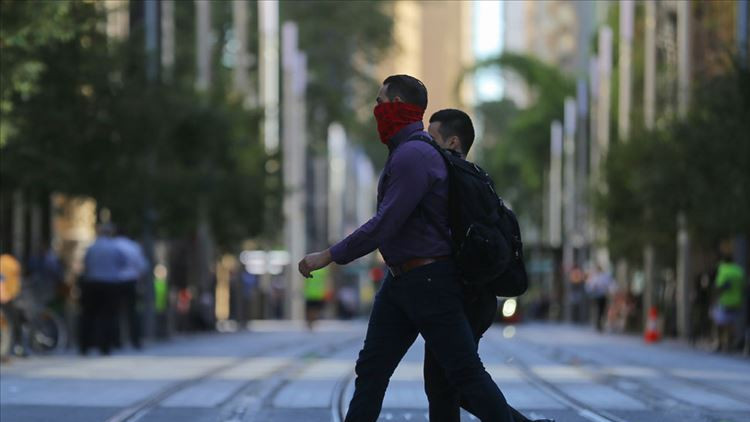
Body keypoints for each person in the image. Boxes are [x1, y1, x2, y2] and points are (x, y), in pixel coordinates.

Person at [300, 75, 515, 422]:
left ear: (398, 105)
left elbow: (385, 224)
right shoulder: (405, 152)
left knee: (462, 374)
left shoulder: (415, 155)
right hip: (401, 280)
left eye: (380, 102)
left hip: (430, 280)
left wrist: (328, 255)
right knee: (372, 370)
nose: (376, 110)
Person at [424, 109, 550, 422]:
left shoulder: (451, 176)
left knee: (456, 382)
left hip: (463, 294)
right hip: (478, 295)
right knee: (445, 384)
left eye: (431, 138)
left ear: (453, 142)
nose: (425, 144)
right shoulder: (478, 176)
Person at [80, 223, 125, 355]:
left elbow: (86, 264)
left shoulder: (92, 247)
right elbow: (122, 264)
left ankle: (85, 345)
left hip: (92, 283)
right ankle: (105, 346)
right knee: (108, 316)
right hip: (110, 284)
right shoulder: (114, 248)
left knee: (89, 315)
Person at [114, 234, 148, 349]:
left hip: (115, 281)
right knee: (132, 312)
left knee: (115, 312)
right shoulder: (134, 246)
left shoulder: (113, 245)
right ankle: (135, 340)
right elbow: (142, 266)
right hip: (131, 281)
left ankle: (117, 341)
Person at [711, 254, 745, 352]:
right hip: (737, 301)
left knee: (719, 323)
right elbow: (743, 286)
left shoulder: (724, 270)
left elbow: (720, 286)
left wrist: (715, 297)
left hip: (724, 301)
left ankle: (720, 343)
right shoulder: (739, 271)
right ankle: (731, 343)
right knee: (731, 323)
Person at [586, 264, 615, 332]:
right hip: (596, 296)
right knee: (597, 310)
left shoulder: (604, 276)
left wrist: (609, 291)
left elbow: (610, 285)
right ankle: (597, 324)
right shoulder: (594, 276)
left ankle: (600, 324)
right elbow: (590, 286)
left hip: (603, 295)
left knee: (602, 310)